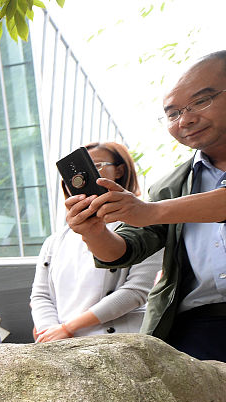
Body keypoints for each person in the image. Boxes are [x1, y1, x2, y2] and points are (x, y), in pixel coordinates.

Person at [66, 52, 226, 362]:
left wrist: (150, 211)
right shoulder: (169, 184)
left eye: (201, 102)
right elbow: (125, 249)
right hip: (195, 326)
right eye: (173, 113)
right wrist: (93, 231)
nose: (186, 119)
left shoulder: (162, 202)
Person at [34, 141, 160, 342]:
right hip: (61, 345)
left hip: (120, 341)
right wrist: (49, 331)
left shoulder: (143, 223)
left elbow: (137, 290)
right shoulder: (55, 240)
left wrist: (69, 328)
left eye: (96, 166)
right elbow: (41, 295)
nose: (82, 177)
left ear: (119, 170)